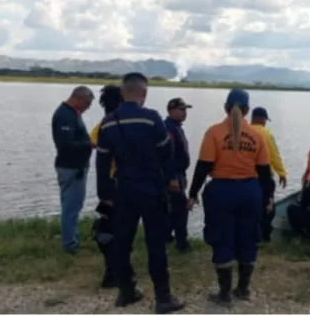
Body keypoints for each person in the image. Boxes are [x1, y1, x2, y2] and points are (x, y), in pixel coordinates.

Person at [96, 73, 183, 313]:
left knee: (122, 243)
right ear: (143, 93)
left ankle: (126, 291)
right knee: (156, 243)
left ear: (123, 93)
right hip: (152, 189)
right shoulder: (151, 118)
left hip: (123, 190)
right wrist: (172, 179)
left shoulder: (109, 122)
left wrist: (104, 193)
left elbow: (102, 161)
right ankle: (163, 298)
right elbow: (167, 153)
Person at [186, 88, 272, 306]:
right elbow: (265, 172)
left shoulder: (214, 133)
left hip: (221, 192)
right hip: (250, 191)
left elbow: (203, 167)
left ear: (225, 108)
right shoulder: (257, 135)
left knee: (222, 238)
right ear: (247, 110)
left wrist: (193, 194)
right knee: (248, 238)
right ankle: (243, 288)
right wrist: (268, 198)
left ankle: (224, 293)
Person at [50, 85, 94, 254]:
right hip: (70, 167)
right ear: (79, 99)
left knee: (72, 205)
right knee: (71, 207)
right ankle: (70, 245)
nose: (88, 108)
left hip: (75, 167)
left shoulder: (72, 114)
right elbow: (65, 145)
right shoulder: (64, 115)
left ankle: (71, 239)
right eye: (87, 104)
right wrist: (89, 144)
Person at [89, 85, 124, 288]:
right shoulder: (121, 121)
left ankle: (112, 270)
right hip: (121, 181)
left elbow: (92, 142)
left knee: (109, 225)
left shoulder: (103, 123)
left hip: (106, 181)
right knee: (119, 227)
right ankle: (115, 272)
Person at [250, 106, 288, 242]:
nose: (265, 122)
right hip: (263, 177)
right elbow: (274, 155)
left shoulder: (242, 131)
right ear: (261, 118)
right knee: (268, 207)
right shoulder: (265, 133)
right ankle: (264, 237)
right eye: (265, 119)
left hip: (245, 178)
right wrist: (282, 172)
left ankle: (248, 237)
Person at [164, 97, 193, 253]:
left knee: (172, 208)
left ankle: (167, 236)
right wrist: (172, 178)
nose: (184, 113)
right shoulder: (168, 128)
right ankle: (181, 243)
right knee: (181, 209)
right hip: (172, 175)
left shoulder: (176, 127)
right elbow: (167, 155)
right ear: (171, 110)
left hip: (178, 173)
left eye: (185, 110)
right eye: (181, 109)